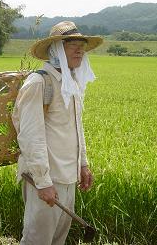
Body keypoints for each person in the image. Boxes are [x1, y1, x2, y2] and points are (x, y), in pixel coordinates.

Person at [12, 21, 103, 244]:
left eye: (81, 44)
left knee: (57, 240)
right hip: (46, 177)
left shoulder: (70, 83)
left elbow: (75, 127)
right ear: (55, 49)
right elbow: (30, 137)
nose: (79, 50)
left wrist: (83, 164)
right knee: (37, 240)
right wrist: (43, 182)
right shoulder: (39, 82)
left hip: (68, 176)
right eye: (71, 44)